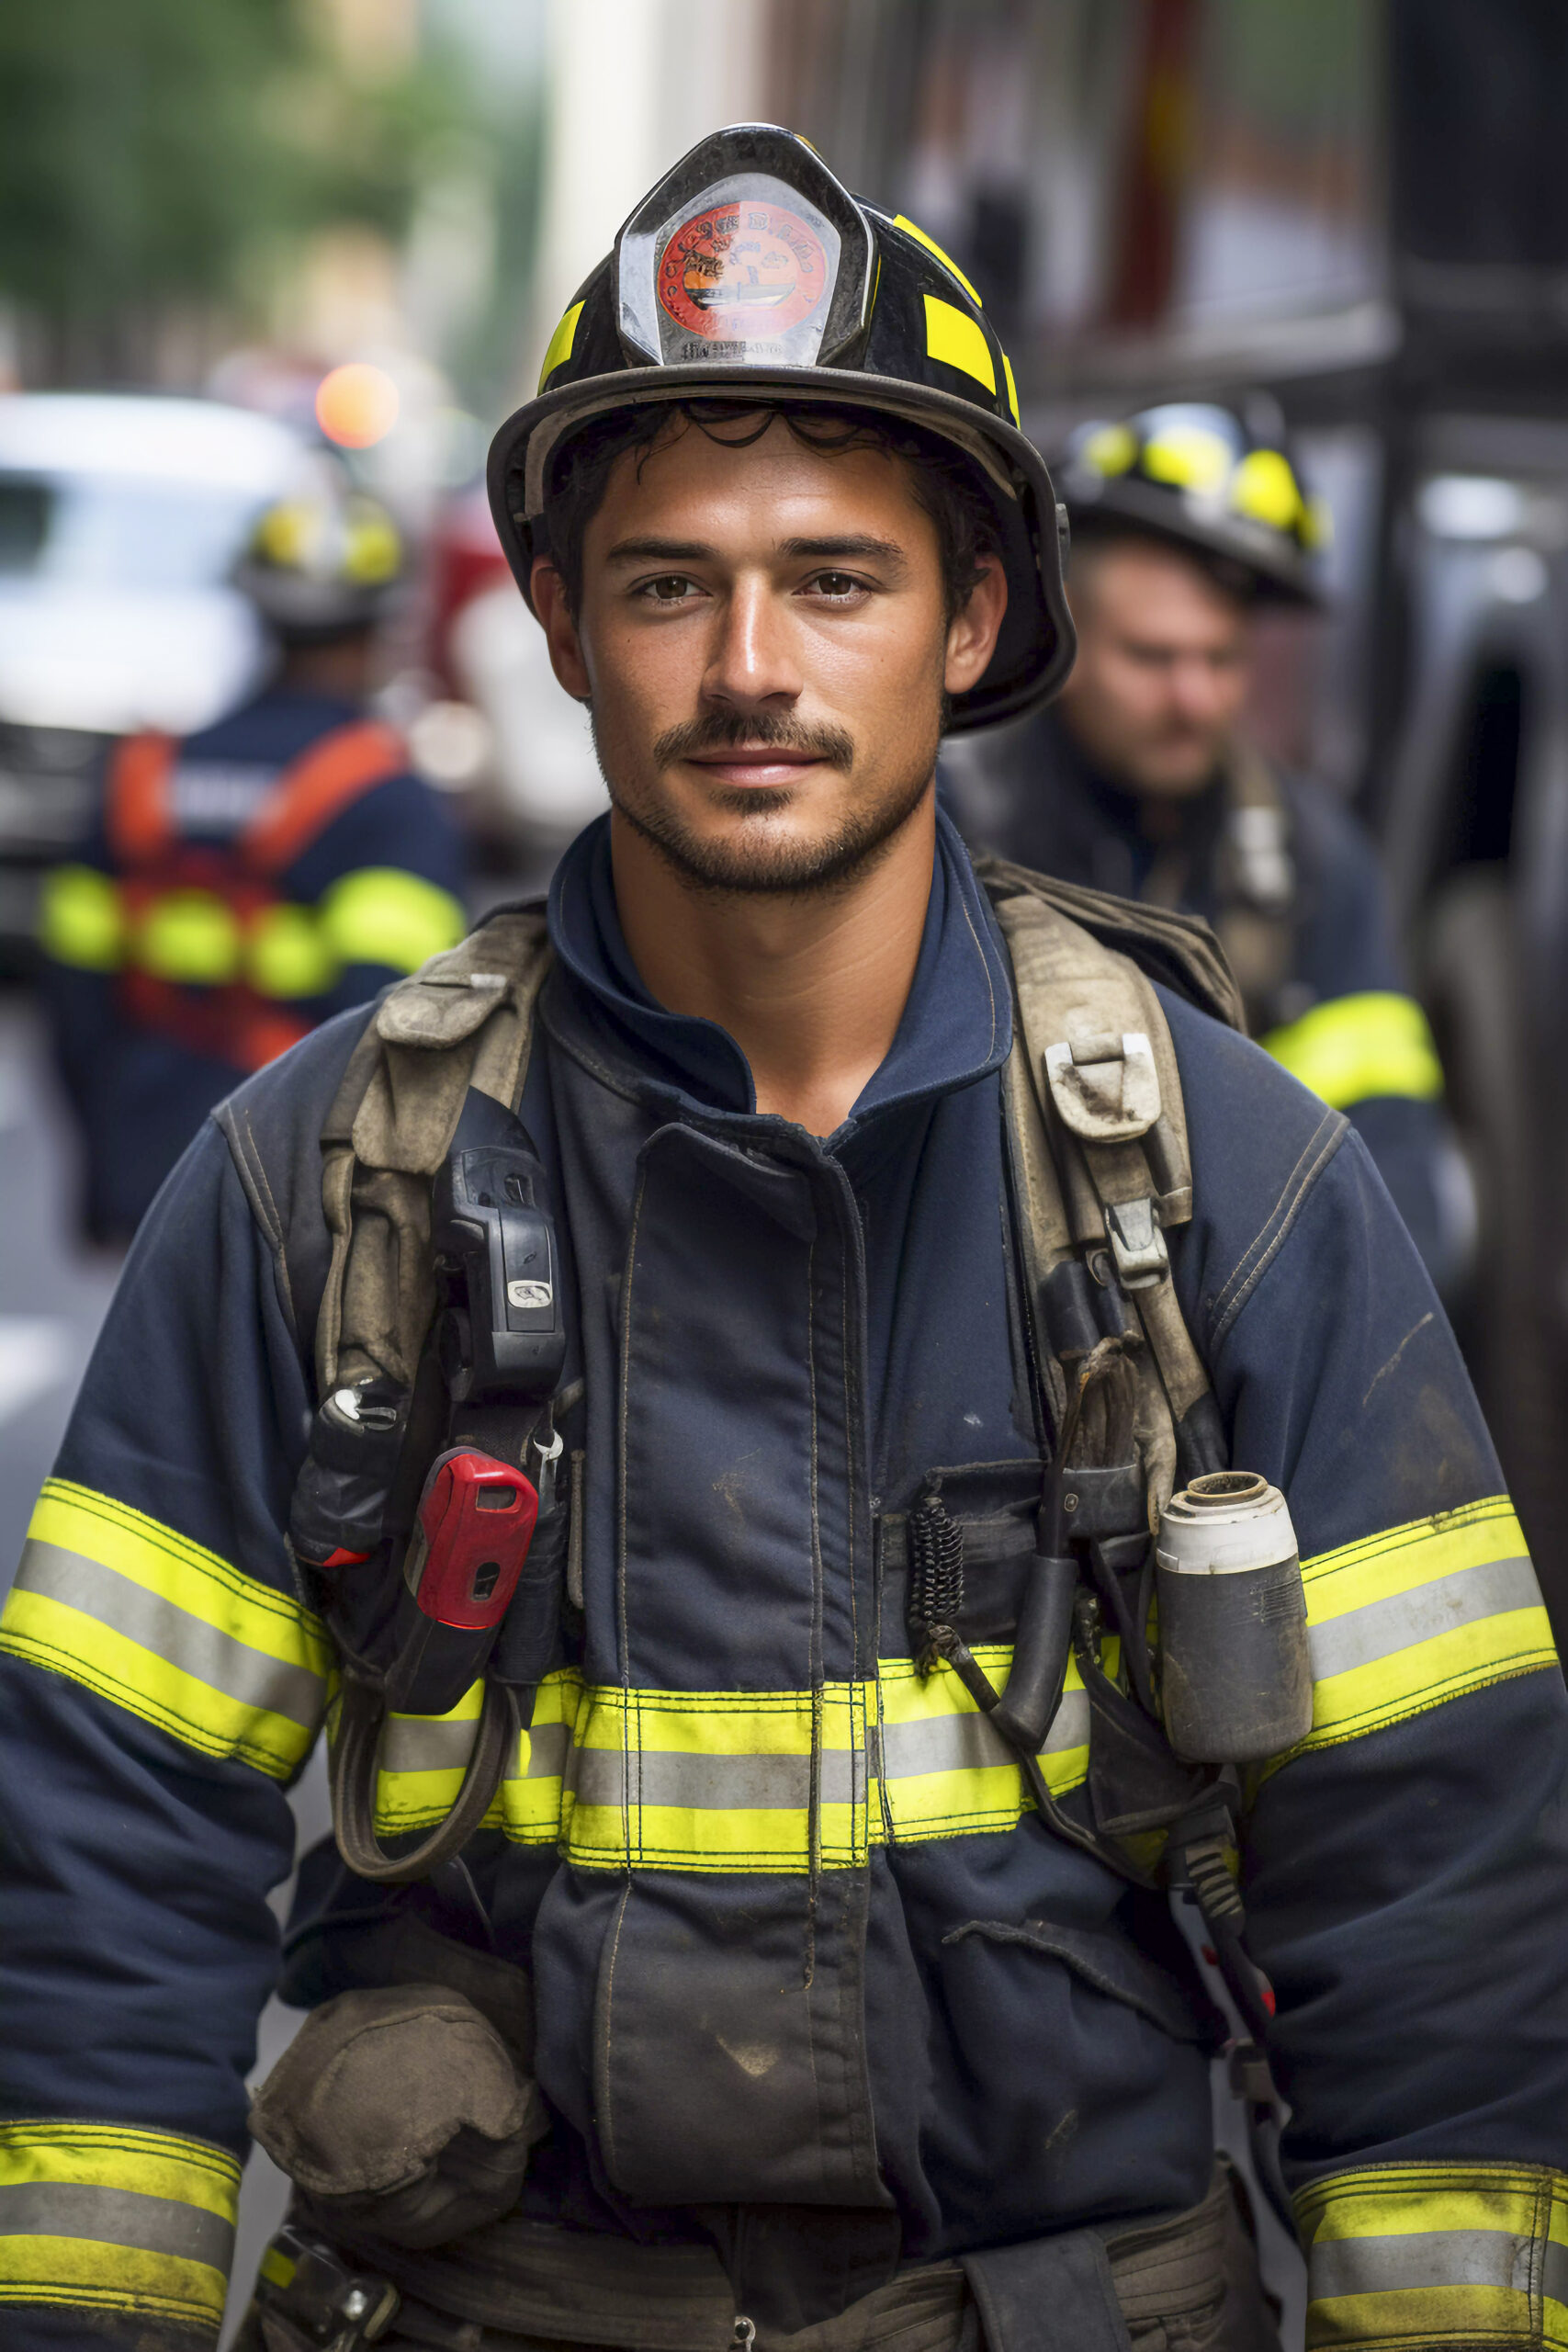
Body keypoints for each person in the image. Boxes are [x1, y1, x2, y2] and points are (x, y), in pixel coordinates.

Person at [2, 126, 1565, 2352]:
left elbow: (1440, 1909)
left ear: (970, 618)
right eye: (668, 585)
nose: (750, 664)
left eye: (834, 578)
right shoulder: (317, 1177)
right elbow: (101, 1866)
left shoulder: (1235, 1183)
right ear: (558, 621)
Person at [943, 405, 1467, 1291]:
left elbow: (1386, 1141)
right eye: (1152, 657)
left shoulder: (1306, 858)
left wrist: (1368, 1308)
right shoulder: (951, 820)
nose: (1193, 699)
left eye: (1220, 659)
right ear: (1062, 635)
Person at [36, 466, 468, 1242]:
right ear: (380, 626)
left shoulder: (143, 774)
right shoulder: (387, 801)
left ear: (257, 611)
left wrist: (111, 1144)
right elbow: (402, 1024)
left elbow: (72, 999)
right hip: (295, 1183)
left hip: (147, 1153)